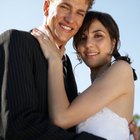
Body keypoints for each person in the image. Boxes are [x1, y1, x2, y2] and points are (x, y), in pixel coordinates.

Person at [0, 0, 138, 139]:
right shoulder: (18, 41)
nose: (71, 19)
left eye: (80, 13)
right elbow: (18, 125)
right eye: (65, 7)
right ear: (47, 6)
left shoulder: (65, 66)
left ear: (113, 42)